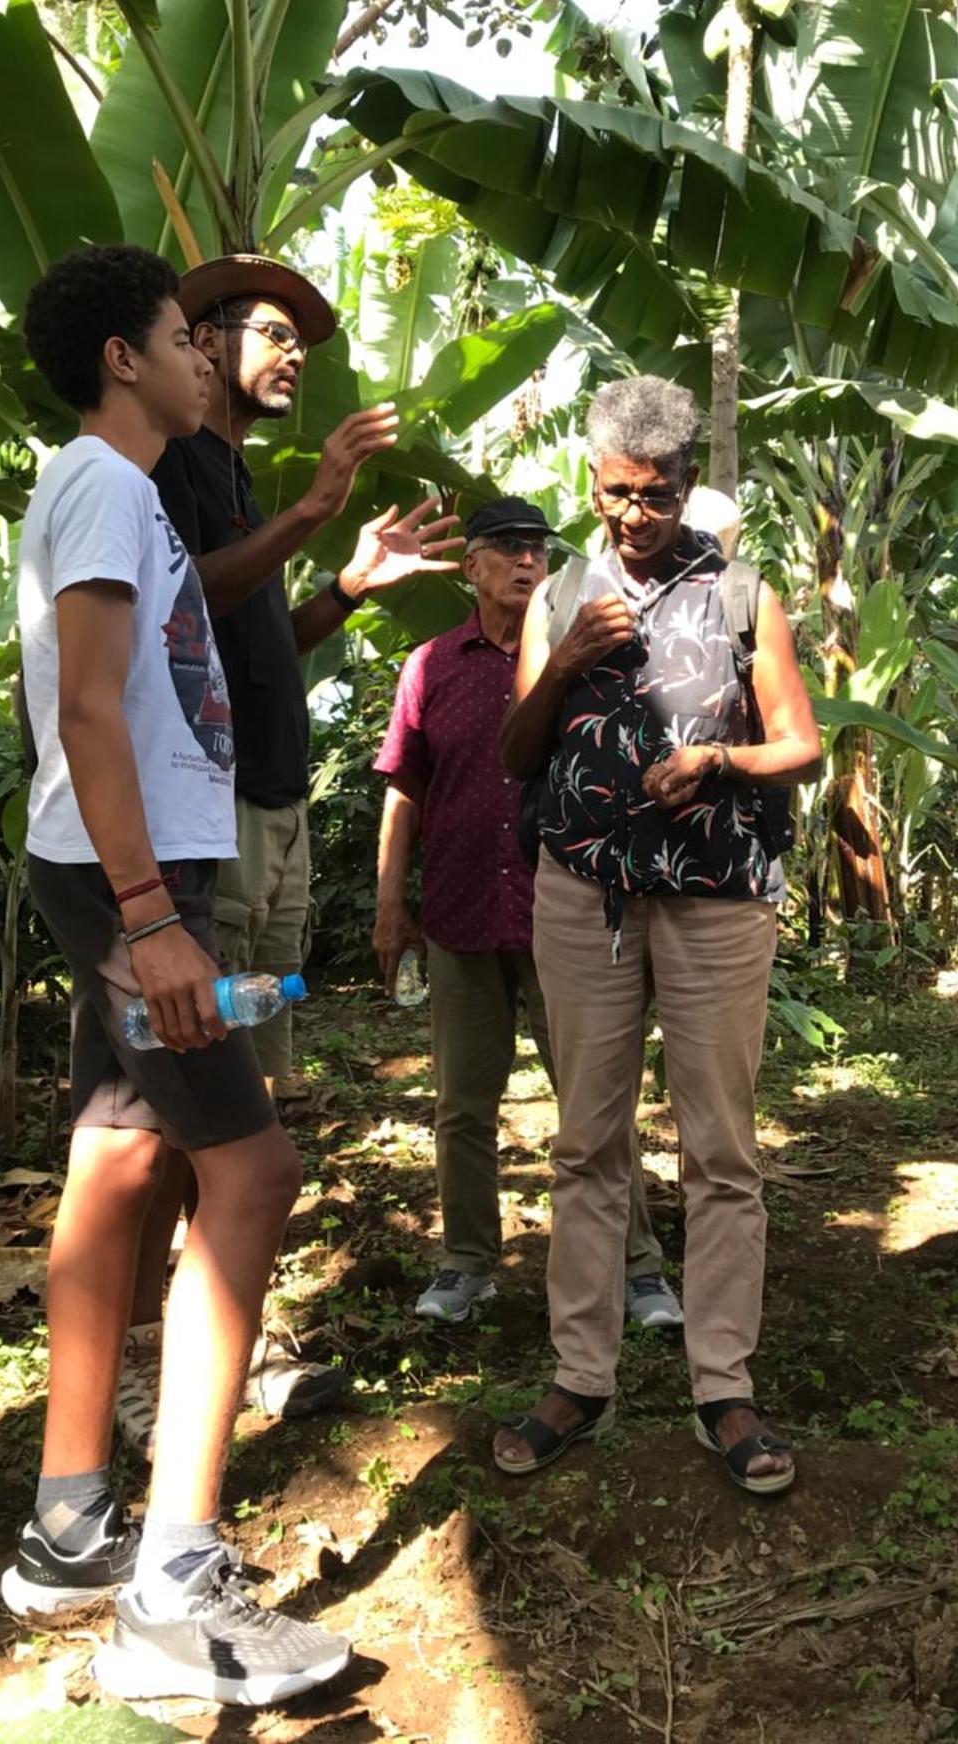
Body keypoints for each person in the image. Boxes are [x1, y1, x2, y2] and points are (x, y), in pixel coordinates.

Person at [3, 244, 352, 1705]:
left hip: (123, 868)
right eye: (179, 335)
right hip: (127, 877)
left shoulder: (130, 494)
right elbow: (86, 705)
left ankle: (74, 1523)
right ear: (123, 361)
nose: (203, 356)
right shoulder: (102, 482)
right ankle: (175, 1585)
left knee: (121, 1156)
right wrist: (153, 915)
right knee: (253, 1175)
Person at [110, 253, 463, 1457]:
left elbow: (256, 642)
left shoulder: (233, 474)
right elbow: (180, 608)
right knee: (186, 1094)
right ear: (194, 343)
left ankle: (233, 1338)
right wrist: (319, 509)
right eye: (268, 328)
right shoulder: (169, 470)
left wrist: (349, 586)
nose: (294, 348)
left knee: (244, 1083)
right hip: (199, 830)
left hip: (263, 811)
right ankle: (152, 1366)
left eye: (300, 333)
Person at [493, 378, 822, 1496]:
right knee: (585, 1142)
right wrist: (572, 653)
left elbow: (801, 747)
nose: (631, 516)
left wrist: (718, 760)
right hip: (582, 891)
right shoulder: (561, 597)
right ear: (593, 479)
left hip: (717, 899)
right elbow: (514, 751)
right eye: (614, 493)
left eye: (655, 495)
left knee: (720, 1146)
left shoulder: (741, 595)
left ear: (690, 486)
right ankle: (581, 1375)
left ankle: (721, 1382)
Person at [371, 496, 682, 1328]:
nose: (527, 562)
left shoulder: (585, 657)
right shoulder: (432, 666)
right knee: (462, 1105)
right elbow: (406, 791)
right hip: (460, 913)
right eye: (506, 548)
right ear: (469, 566)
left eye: (537, 550)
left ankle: (638, 1266)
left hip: (568, 914)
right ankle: (467, 1262)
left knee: (595, 1098)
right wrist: (389, 904)